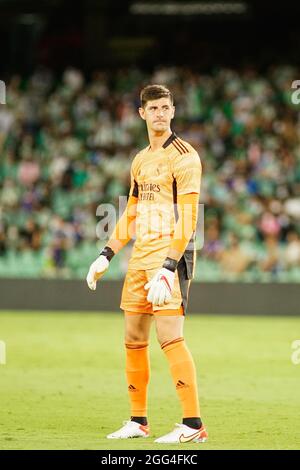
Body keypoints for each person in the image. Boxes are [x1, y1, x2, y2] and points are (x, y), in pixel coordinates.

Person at [86, 85, 207, 444]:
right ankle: (138, 421)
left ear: (173, 111)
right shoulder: (139, 160)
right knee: (134, 340)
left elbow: (188, 218)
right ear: (142, 113)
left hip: (171, 256)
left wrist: (169, 266)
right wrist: (105, 254)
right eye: (152, 108)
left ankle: (193, 425)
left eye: (165, 107)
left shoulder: (185, 156)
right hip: (140, 258)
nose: (159, 114)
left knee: (170, 337)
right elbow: (133, 212)